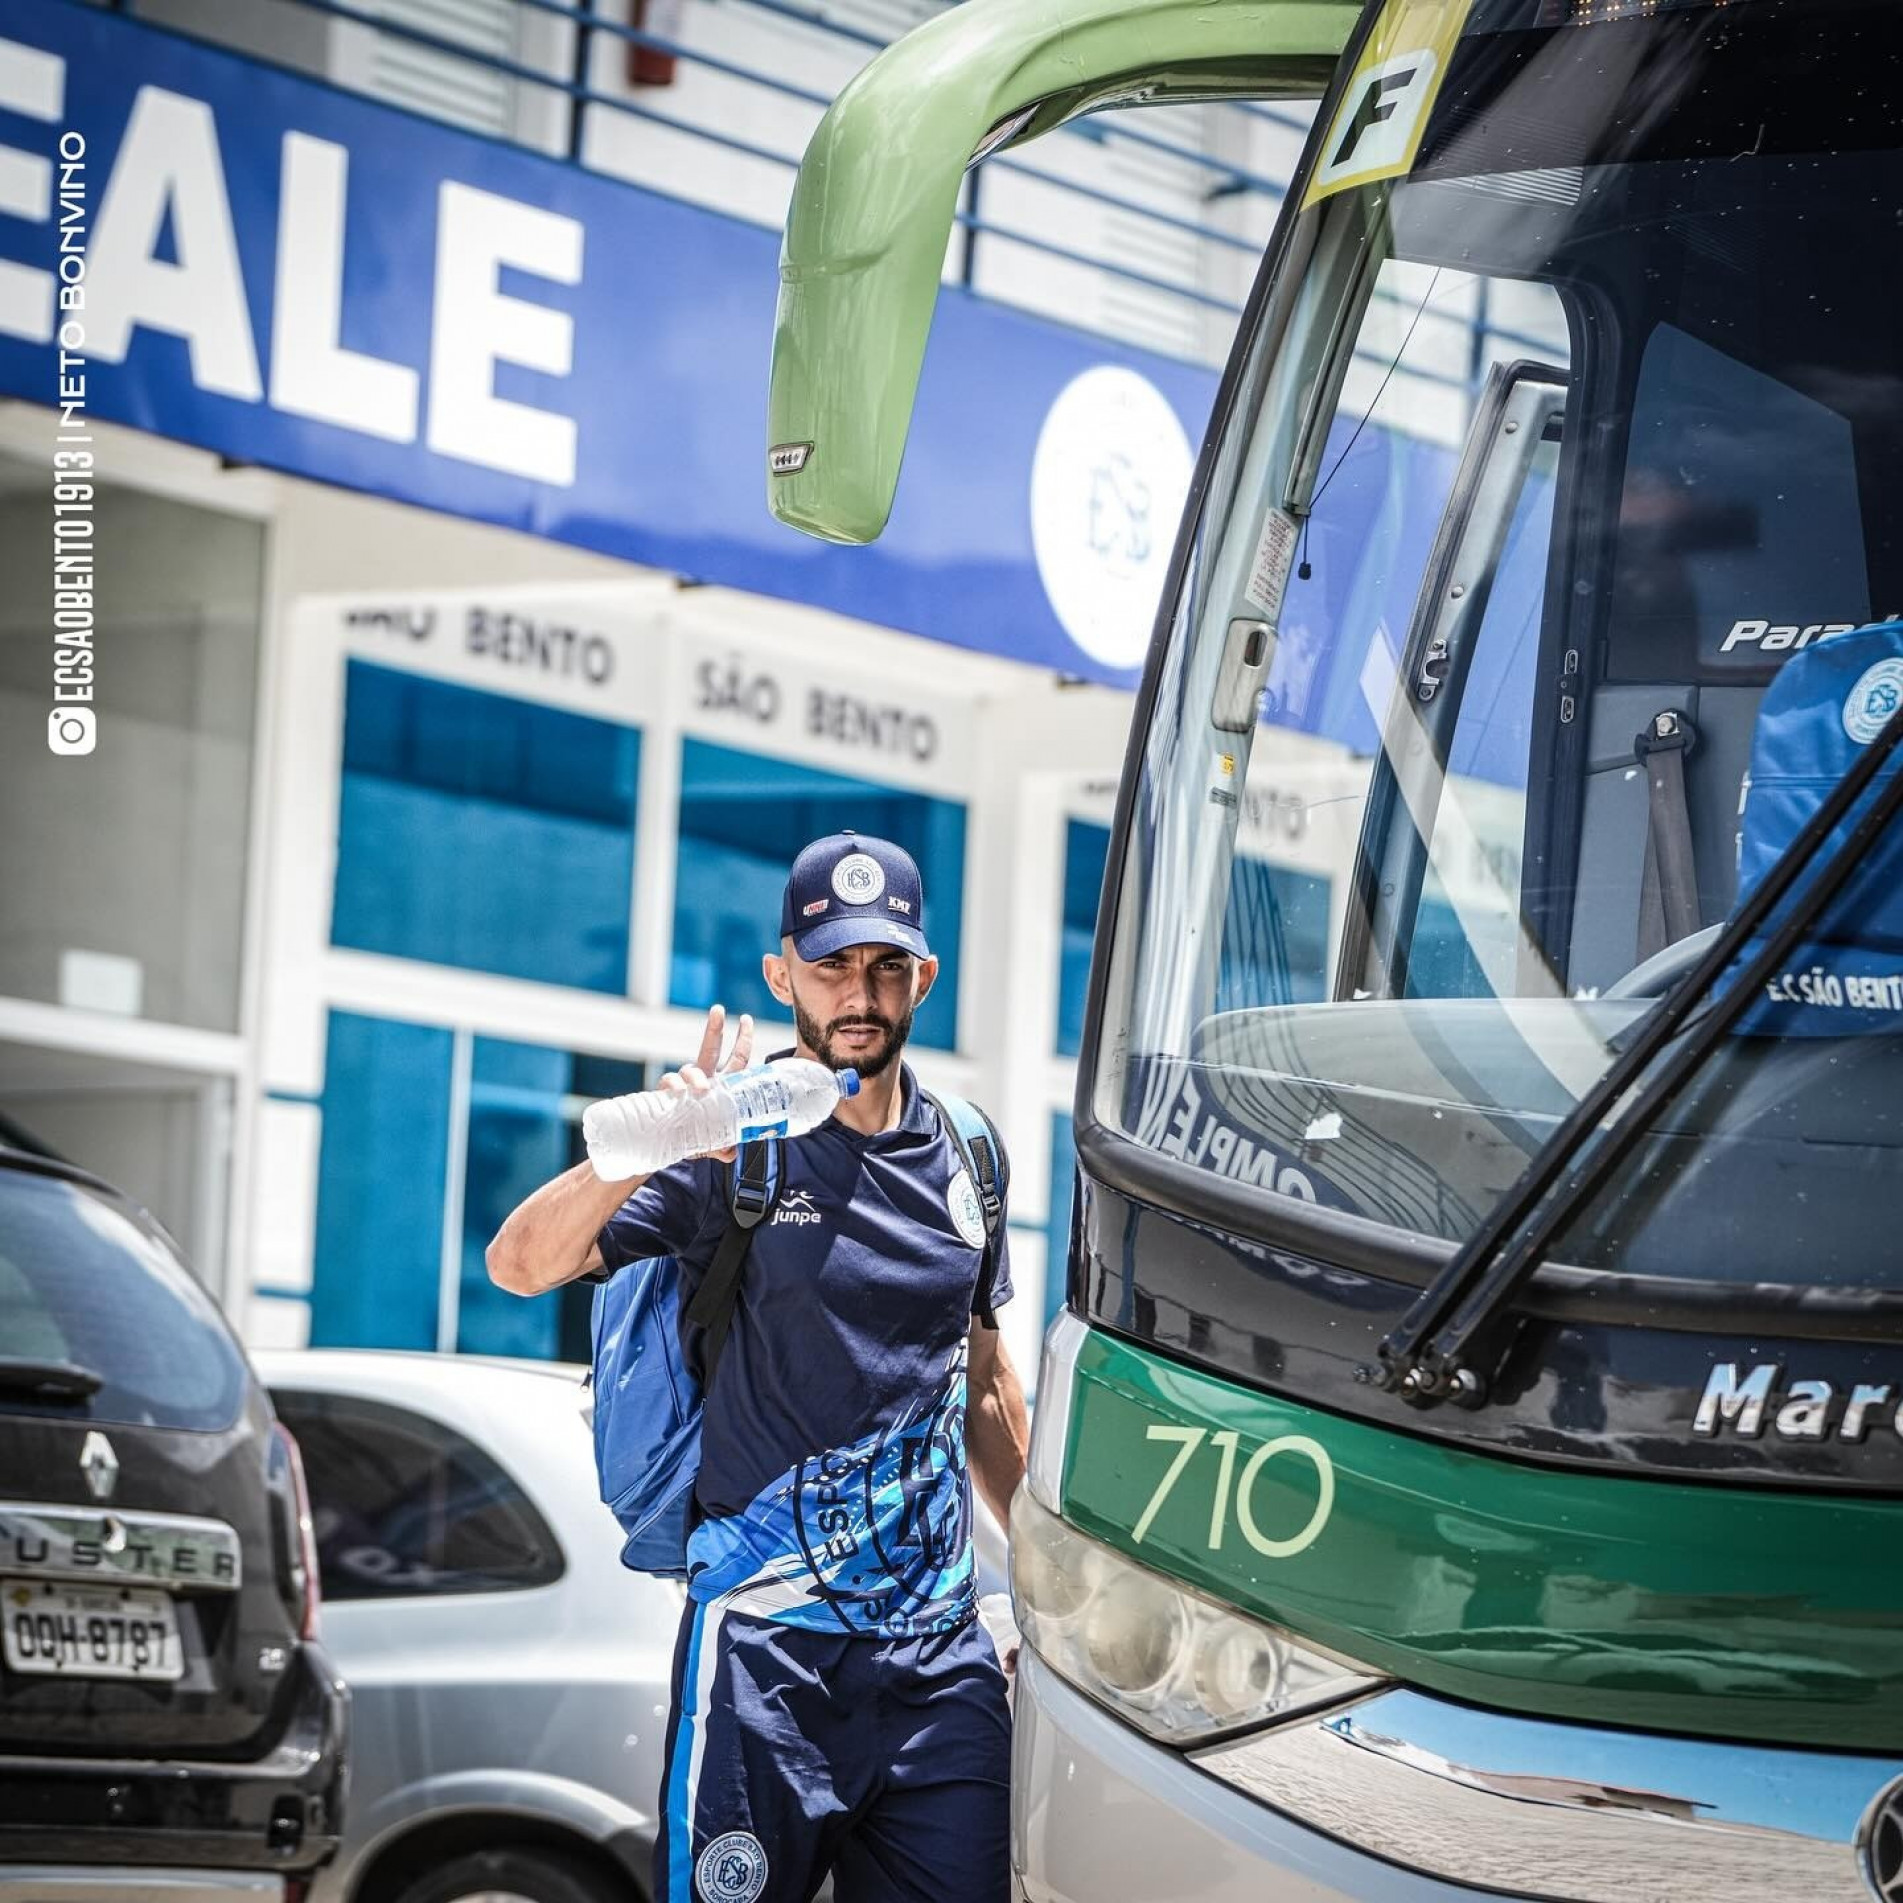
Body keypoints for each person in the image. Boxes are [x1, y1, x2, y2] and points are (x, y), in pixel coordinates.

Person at [487, 832, 1029, 1903]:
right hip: (765, 1655)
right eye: (831, 967)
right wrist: (654, 1141)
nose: (858, 995)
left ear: (923, 976)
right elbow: (519, 1263)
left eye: (884, 967)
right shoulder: (737, 1142)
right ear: (784, 975)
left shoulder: (969, 1151)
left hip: (938, 1666)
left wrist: (1059, 1590)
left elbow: (983, 1375)